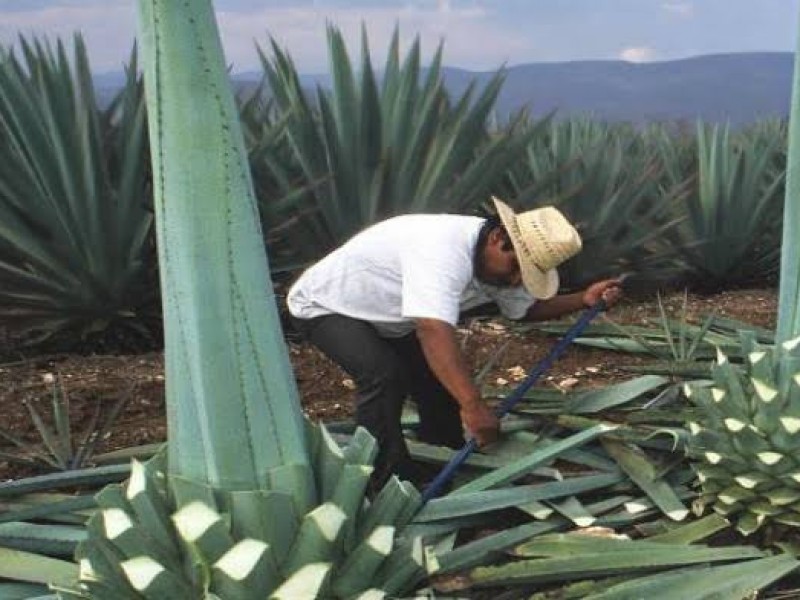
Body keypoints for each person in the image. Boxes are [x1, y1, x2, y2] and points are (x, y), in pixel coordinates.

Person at [287, 196, 622, 490]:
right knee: (383, 376)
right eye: (517, 269)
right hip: (327, 305)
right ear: (497, 237)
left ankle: (442, 458)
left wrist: (583, 299)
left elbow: (526, 309)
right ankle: (384, 481)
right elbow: (432, 328)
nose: (517, 280)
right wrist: (474, 407)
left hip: (389, 315)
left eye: (526, 273)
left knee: (438, 382)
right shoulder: (442, 250)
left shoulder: (499, 263)